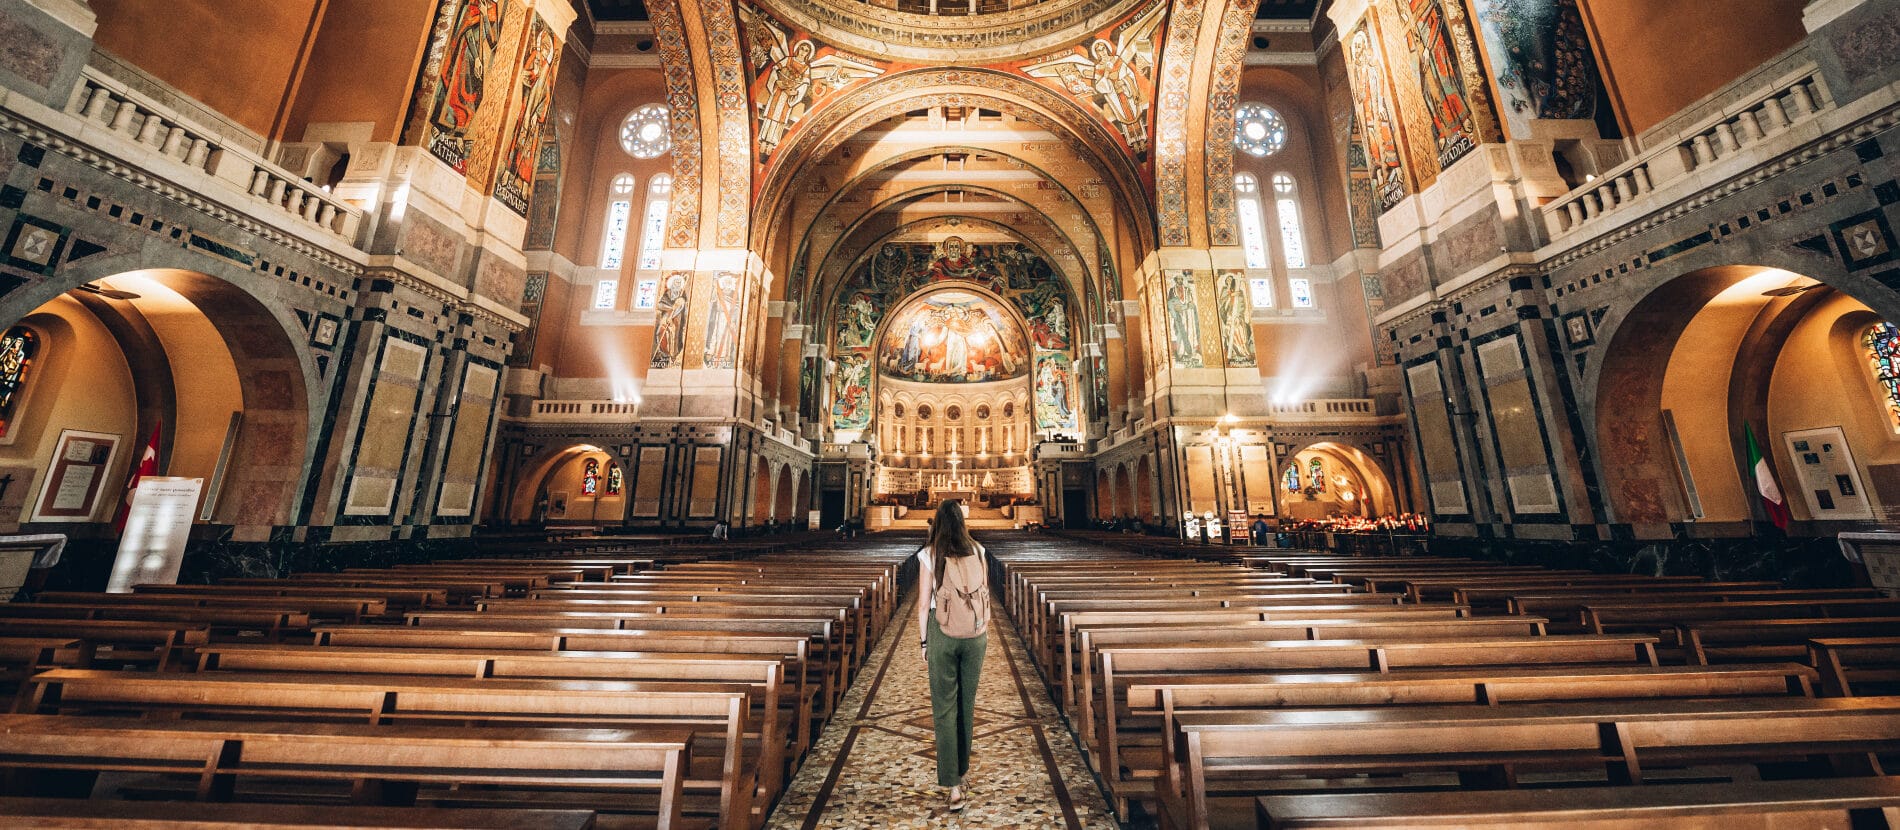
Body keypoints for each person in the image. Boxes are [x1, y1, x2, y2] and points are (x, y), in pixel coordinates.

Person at [916, 500, 988, 812]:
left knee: (945, 709)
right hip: (975, 635)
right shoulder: (979, 550)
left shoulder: (930, 554)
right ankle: (962, 769)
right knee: (966, 706)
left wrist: (923, 643)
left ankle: (954, 786)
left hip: (943, 632)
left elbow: (922, 605)